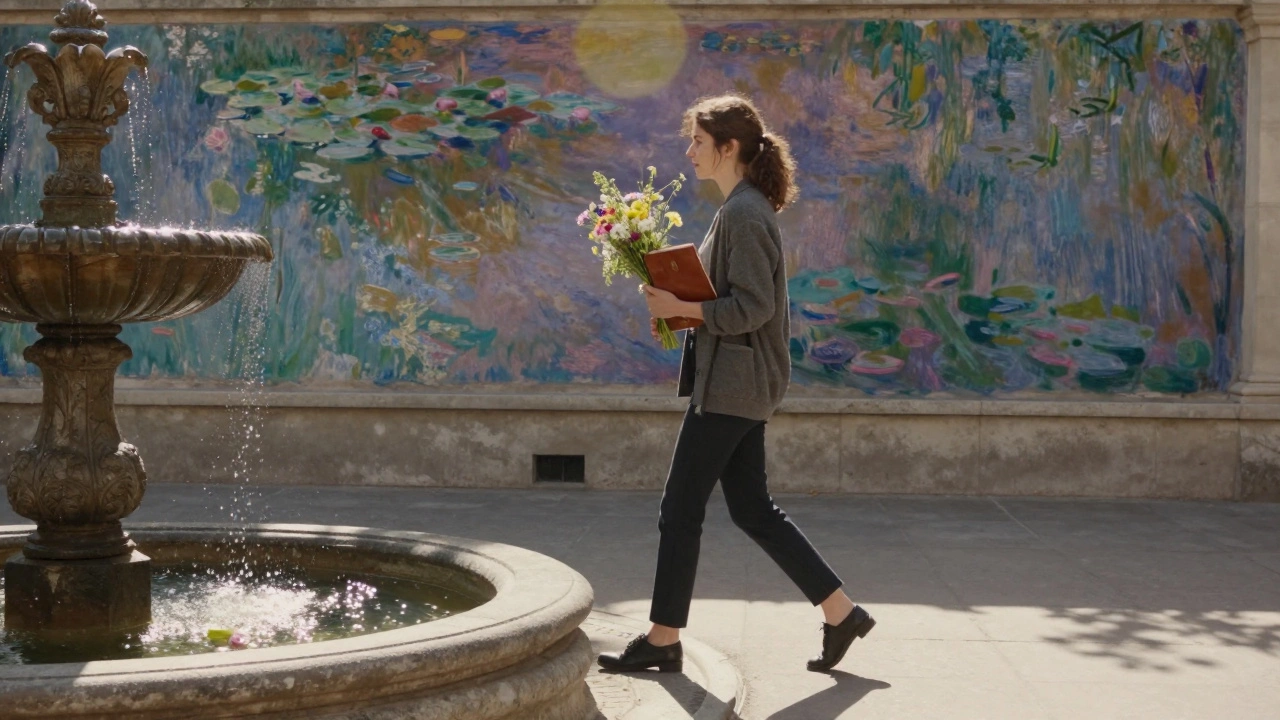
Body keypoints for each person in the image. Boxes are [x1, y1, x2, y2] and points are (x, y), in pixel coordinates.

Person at [597, 93, 875, 675]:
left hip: (733, 386)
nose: (689, 151)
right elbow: (723, 298)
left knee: (680, 510)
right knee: (753, 510)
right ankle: (841, 612)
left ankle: (663, 638)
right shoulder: (739, 210)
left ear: (728, 148)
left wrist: (691, 311)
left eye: (698, 141)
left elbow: (754, 306)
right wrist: (675, 306)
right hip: (736, 382)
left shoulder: (746, 214)